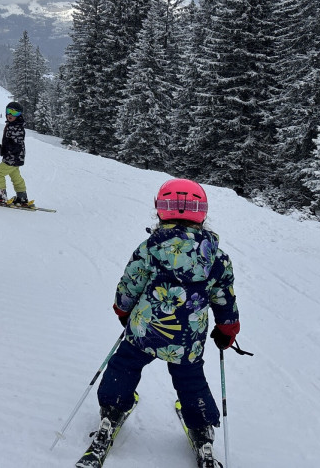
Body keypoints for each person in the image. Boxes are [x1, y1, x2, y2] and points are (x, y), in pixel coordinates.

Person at [88, 179, 240, 467]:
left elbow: (131, 282)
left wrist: (123, 310)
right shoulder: (216, 257)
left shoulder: (150, 247)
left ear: (160, 211)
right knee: (190, 379)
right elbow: (224, 296)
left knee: (124, 365)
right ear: (202, 213)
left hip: (145, 329)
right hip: (187, 338)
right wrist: (227, 327)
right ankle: (201, 428)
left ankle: (112, 408)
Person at [0, 100, 30, 207]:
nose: (11, 115)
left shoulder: (17, 127)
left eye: (15, 113)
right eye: (9, 111)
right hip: (16, 158)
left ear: (19, 115)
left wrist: (4, 149)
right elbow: (10, 143)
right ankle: (22, 196)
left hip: (12, 158)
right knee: (15, 176)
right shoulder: (12, 125)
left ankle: (1, 196)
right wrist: (2, 148)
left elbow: (16, 145)